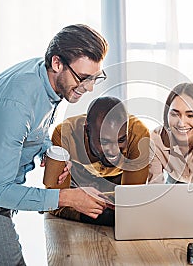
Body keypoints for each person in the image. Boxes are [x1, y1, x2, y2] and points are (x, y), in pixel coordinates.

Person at [0, 24, 109, 265]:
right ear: (57, 63)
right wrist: (67, 198)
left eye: (95, 78)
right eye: (83, 78)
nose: (90, 87)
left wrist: (46, 150)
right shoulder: (15, 102)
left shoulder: (47, 81)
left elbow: (33, 128)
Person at [49, 96, 150, 226]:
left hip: (118, 182)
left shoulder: (139, 135)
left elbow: (132, 200)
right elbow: (55, 200)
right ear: (87, 131)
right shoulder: (64, 134)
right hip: (79, 184)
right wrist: (97, 215)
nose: (114, 151)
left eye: (120, 140)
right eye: (104, 142)